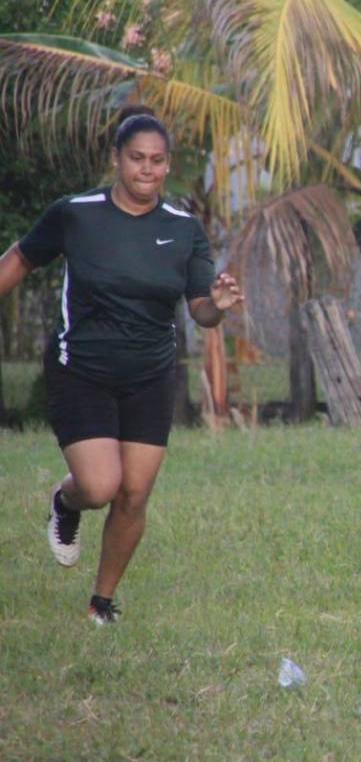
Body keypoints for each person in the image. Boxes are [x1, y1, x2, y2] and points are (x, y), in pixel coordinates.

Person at [0, 105, 244, 625]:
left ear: (167, 165)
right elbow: (21, 258)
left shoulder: (184, 229)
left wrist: (216, 307)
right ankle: (67, 503)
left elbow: (200, 310)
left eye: (157, 161)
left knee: (135, 492)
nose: (147, 170)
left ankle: (101, 602)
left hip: (150, 374)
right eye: (137, 159)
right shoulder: (76, 213)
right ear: (117, 159)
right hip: (81, 369)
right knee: (100, 486)